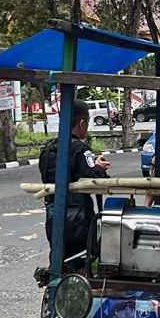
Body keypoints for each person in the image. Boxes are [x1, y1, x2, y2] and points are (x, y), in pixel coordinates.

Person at [39, 98, 110, 261]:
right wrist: (99, 167)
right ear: (82, 123)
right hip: (78, 218)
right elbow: (93, 177)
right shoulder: (80, 149)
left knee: (59, 259)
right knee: (81, 261)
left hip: (54, 215)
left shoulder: (48, 148)